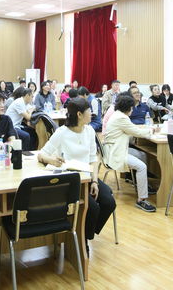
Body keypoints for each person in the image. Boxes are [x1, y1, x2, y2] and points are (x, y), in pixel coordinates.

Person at [38, 98, 117, 241]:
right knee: (92, 208)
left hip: (87, 176)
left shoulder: (89, 130)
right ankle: (83, 241)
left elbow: (93, 159)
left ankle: (87, 233)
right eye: (89, 111)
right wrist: (51, 160)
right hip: (71, 180)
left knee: (109, 203)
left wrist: (94, 181)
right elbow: (41, 154)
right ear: (79, 114)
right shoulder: (62, 132)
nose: (92, 114)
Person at [103, 95, 158, 212]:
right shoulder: (122, 118)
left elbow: (130, 131)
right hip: (115, 153)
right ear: (128, 108)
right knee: (142, 166)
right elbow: (137, 132)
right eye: (132, 108)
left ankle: (141, 184)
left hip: (115, 148)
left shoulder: (117, 114)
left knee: (143, 155)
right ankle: (141, 199)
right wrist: (151, 130)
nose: (133, 110)